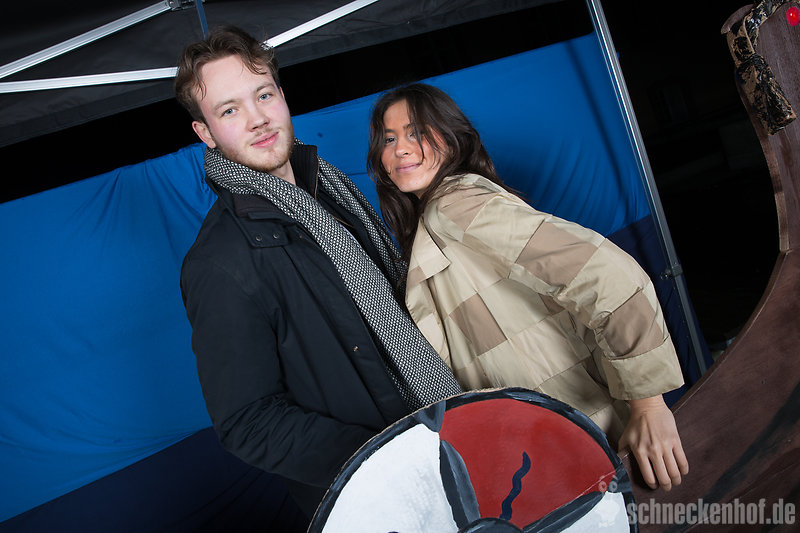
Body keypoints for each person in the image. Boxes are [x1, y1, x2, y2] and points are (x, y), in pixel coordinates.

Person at [174, 28, 462, 519]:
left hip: (451, 432)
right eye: (229, 110)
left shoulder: (329, 189)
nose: (258, 118)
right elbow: (248, 422)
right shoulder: (218, 262)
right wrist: (388, 458)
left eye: (263, 95)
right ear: (206, 133)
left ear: (282, 96)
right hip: (382, 500)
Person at [367, 83, 689, 492]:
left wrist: (649, 404)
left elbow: (607, 274)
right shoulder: (438, 217)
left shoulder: (454, 206)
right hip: (553, 453)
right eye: (389, 139)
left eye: (416, 132)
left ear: (451, 137)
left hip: (589, 440)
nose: (400, 149)